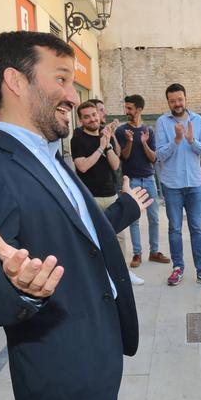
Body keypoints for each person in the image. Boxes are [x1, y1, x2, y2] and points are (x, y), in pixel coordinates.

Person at [0, 30, 151, 400]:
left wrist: (123, 210)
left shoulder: (45, 155)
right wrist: (18, 288)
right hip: (63, 378)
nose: (73, 97)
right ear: (16, 82)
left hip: (98, 359)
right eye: (60, 79)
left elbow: (74, 234)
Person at [72, 101, 145, 286]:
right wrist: (100, 146)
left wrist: (107, 144)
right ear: (81, 120)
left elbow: (115, 165)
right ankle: (99, 275)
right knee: (95, 238)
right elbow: (82, 166)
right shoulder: (77, 138)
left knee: (119, 237)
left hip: (111, 193)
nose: (92, 119)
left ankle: (122, 273)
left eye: (94, 115)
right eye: (86, 116)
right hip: (90, 197)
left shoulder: (107, 134)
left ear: (99, 115)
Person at [155, 83, 201, 287]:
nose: (177, 104)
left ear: (186, 99)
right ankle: (178, 268)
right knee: (174, 228)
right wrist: (176, 140)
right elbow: (159, 155)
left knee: (197, 228)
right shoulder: (162, 122)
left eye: (179, 99)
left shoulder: (197, 120)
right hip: (172, 184)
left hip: (194, 183)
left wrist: (191, 140)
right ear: (168, 102)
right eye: (172, 101)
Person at [116, 95, 171, 268]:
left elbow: (154, 158)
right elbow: (124, 156)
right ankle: (137, 254)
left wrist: (144, 143)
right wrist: (130, 141)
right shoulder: (121, 131)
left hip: (148, 179)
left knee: (154, 218)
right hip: (131, 180)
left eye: (130, 108)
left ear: (139, 109)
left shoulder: (149, 131)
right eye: (126, 108)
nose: (127, 111)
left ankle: (154, 252)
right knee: (134, 219)